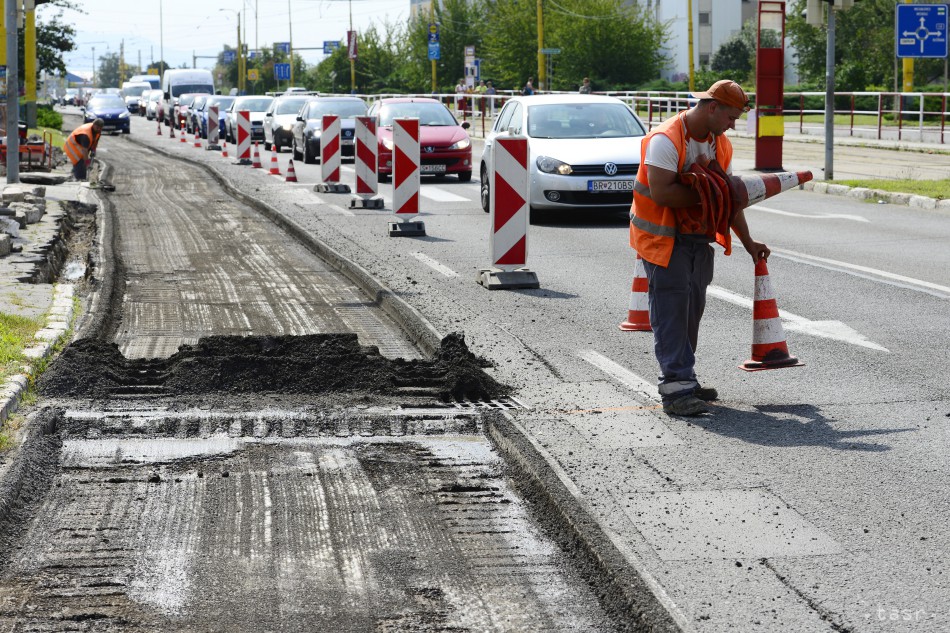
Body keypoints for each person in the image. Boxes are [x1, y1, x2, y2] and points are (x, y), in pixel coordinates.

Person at [629, 79, 768, 416]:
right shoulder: (666, 139)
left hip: (697, 240)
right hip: (662, 239)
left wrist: (749, 243)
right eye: (731, 117)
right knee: (672, 313)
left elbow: (728, 199)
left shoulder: (721, 145)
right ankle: (676, 391)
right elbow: (662, 193)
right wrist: (709, 191)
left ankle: (684, 379)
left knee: (691, 313)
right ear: (712, 107)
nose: (733, 125)